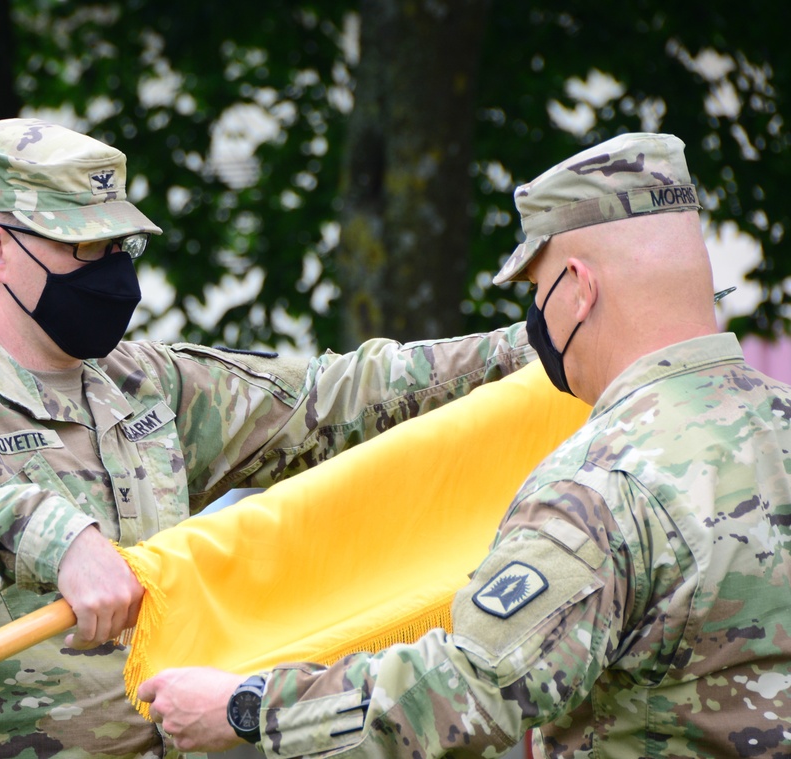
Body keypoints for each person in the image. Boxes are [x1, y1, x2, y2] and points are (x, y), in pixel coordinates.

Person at [0, 117, 538, 758]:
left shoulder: (143, 383)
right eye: (84, 249)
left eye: (119, 245)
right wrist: (53, 536)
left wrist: (535, 347)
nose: (114, 273)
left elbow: (336, 398)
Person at [137, 132, 791, 759]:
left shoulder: (603, 484)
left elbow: (471, 688)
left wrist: (248, 705)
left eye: (538, 290)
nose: (536, 316)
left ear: (580, 287)